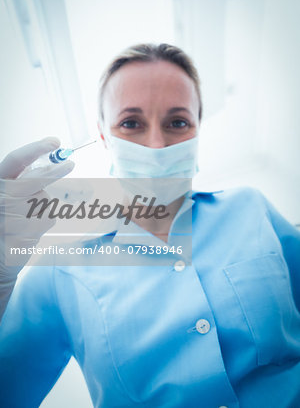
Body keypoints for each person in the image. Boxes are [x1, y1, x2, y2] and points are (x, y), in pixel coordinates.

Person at [0, 43, 299, 407]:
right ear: (103, 137)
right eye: (131, 123)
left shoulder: (251, 209)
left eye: (177, 122)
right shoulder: (59, 271)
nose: (156, 145)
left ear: (197, 130)